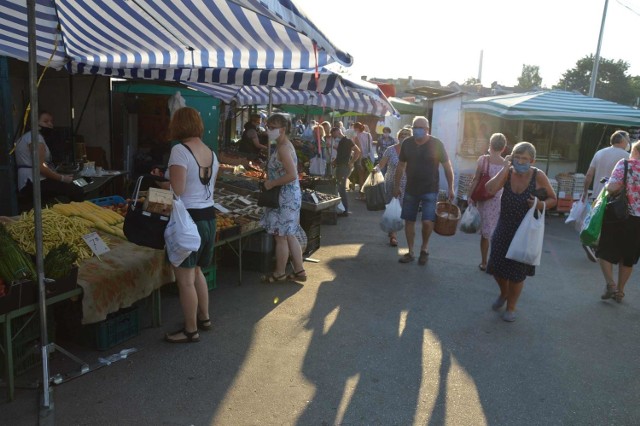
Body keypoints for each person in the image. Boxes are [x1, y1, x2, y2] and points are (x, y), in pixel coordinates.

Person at [164, 107, 220, 343]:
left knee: (185, 280)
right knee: (197, 271)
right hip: (209, 218)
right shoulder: (211, 152)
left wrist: (158, 184)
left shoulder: (179, 150)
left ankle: (190, 330)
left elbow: (177, 190)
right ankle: (204, 318)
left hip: (189, 222)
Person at [485, 142, 557, 322]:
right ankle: (504, 293)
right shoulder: (508, 172)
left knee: (517, 272)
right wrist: (505, 167)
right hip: (505, 225)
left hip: (525, 229)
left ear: (532, 160)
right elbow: (491, 188)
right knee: (495, 266)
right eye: (517, 157)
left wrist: (541, 204)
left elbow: (553, 199)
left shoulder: (538, 175)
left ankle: (511, 307)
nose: (520, 161)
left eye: (524, 159)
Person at [394, 116, 454, 265]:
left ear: (427, 130)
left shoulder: (436, 144)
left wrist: (451, 188)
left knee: (427, 221)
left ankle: (424, 248)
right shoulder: (407, 144)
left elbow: (447, 167)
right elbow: (400, 166)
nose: (417, 130)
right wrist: (396, 186)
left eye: (420, 128)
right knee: (409, 220)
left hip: (430, 189)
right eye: (415, 127)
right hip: (411, 189)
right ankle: (410, 251)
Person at [259, 114, 306, 283]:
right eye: (268, 126)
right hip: (288, 195)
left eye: (272, 127)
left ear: (283, 129)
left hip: (283, 196)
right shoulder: (284, 145)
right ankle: (299, 270)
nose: (268, 130)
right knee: (290, 234)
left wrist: (271, 183)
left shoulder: (284, 148)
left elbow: (292, 175)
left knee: (280, 236)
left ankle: (279, 272)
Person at [596, 141, 640, 303]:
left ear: (634, 150)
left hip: (618, 215)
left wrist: (608, 184)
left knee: (605, 250)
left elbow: (612, 187)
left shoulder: (625, 164)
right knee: (628, 257)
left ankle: (611, 285)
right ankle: (620, 291)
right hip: (638, 221)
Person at [581, 130, 630, 262]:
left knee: (595, 221)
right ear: (623, 141)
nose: (629, 142)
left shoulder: (600, 153)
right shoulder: (627, 156)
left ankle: (592, 244)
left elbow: (589, 175)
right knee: (608, 225)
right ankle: (596, 248)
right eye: (628, 139)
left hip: (597, 194)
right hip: (615, 196)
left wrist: (585, 191)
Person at [15, 110, 84, 202]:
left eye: (51, 121)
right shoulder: (35, 137)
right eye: (46, 121)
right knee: (76, 190)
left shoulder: (29, 137)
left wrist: (59, 175)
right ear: (34, 123)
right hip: (32, 182)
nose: (50, 124)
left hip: (33, 181)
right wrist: (62, 178)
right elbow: (40, 167)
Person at [466, 133, 508, 271]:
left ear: (490, 144)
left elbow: (476, 179)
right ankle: (496, 262)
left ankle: (484, 262)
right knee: (497, 231)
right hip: (499, 200)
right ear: (504, 148)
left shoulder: (483, 160)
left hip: (484, 199)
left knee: (485, 233)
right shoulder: (506, 164)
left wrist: (470, 195)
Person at [376, 127, 412, 246]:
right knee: (392, 206)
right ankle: (393, 234)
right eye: (402, 135)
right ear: (398, 137)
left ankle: (392, 231)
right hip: (391, 182)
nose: (404, 137)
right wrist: (375, 170)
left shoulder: (413, 151)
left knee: (399, 208)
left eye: (407, 135)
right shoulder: (390, 150)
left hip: (406, 183)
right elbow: (381, 164)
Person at [331, 126, 361, 217]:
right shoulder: (341, 142)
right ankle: (342, 208)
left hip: (344, 167)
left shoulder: (347, 141)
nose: (332, 135)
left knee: (341, 188)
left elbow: (357, 151)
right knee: (339, 188)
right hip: (340, 166)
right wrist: (335, 161)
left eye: (333, 133)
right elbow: (341, 154)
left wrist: (351, 162)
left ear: (338, 132)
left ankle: (345, 209)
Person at [353, 122, 375, 199]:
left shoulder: (356, 136)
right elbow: (371, 145)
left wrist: (358, 160)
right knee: (368, 176)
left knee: (361, 176)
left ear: (356, 128)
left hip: (361, 158)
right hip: (370, 158)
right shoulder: (368, 135)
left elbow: (359, 149)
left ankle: (362, 194)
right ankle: (368, 194)